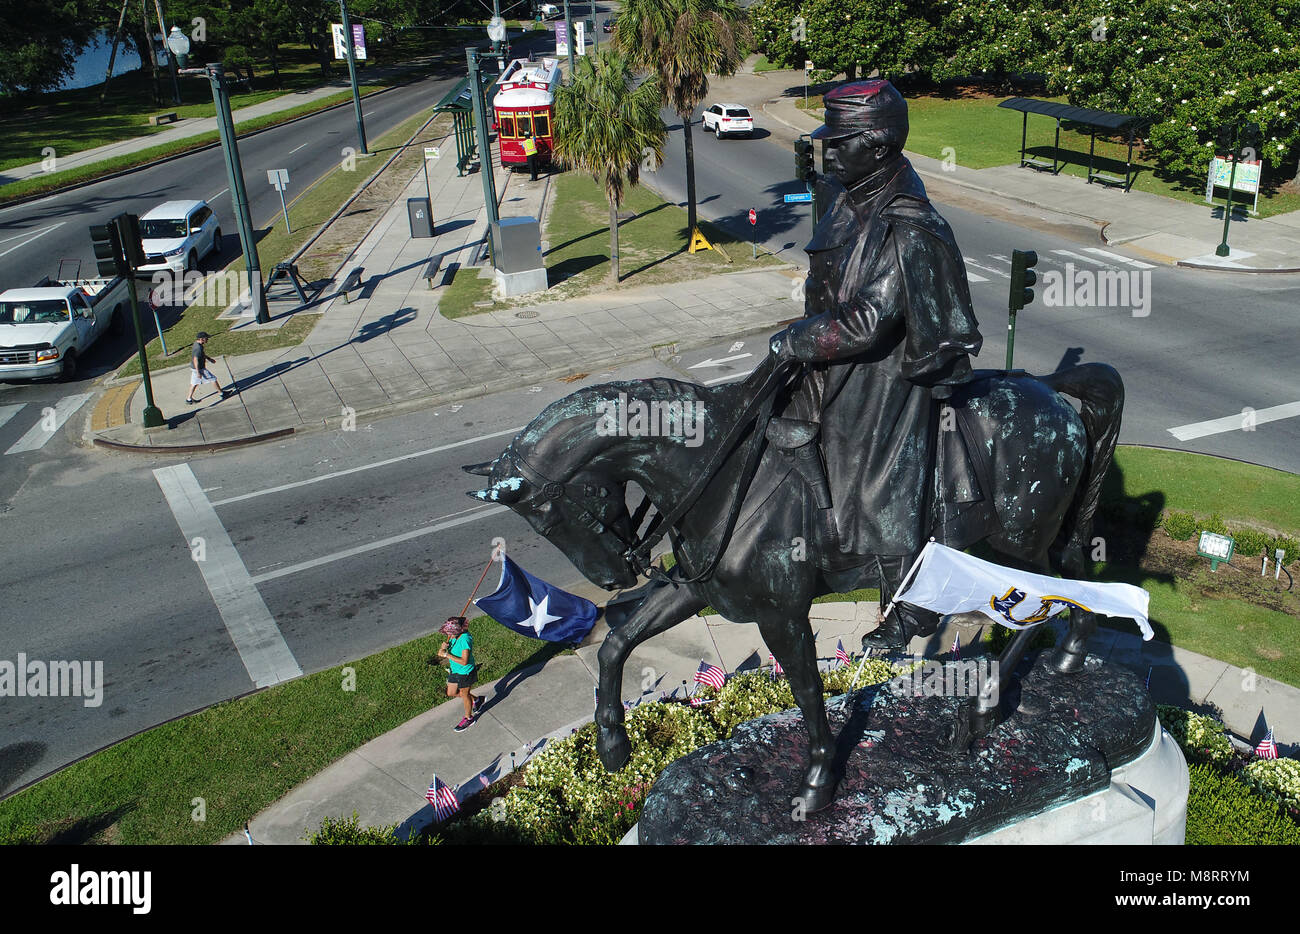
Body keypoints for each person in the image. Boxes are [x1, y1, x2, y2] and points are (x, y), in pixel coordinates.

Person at [765, 79, 983, 651]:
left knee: (876, 475)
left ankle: (910, 599)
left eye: (839, 143)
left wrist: (795, 338)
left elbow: (866, 323)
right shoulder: (852, 194)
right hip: (836, 357)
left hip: (886, 370)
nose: (827, 152)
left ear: (880, 147)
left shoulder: (904, 221)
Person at [438, 617, 484, 732]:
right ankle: (477, 700)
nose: (448, 634)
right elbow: (444, 652)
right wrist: (443, 648)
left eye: (449, 632)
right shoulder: (454, 637)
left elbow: (464, 661)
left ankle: (469, 718)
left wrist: (446, 655)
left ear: (457, 631)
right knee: (451, 692)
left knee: (464, 694)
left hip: (465, 672)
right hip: (455, 670)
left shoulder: (465, 639)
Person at [185, 332, 234, 404]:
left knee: (194, 383)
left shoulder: (197, 344)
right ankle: (222, 394)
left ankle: (189, 399)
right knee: (213, 379)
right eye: (206, 338)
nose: (207, 339)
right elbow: (196, 360)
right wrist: (198, 372)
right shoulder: (198, 348)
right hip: (199, 368)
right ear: (201, 339)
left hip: (195, 368)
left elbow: (202, 354)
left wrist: (209, 359)